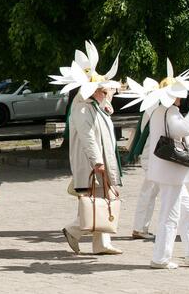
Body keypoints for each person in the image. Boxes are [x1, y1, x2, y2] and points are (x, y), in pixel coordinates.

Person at [62, 88, 123, 255]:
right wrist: (97, 161)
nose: (106, 94)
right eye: (103, 91)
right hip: (89, 162)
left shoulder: (93, 106)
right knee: (96, 201)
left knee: (100, 200)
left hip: (97, 161)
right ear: (93, 91)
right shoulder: (82, 108)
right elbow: (87, 136)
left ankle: (101, 244)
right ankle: (73, 230)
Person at [147, 96, 189, 268]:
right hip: (171, 171)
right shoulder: (170, 111)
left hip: (168, 170)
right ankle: (161, 258)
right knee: (170, 214)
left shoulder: (160, 110)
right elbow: (183, 129)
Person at [130, 111, 158, 240]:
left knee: (148, 194)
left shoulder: (153, 107)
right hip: (154, 158)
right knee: (149, 194)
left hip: (154, 158)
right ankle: (140, 228)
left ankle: (140, 227)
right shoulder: (156, 108)